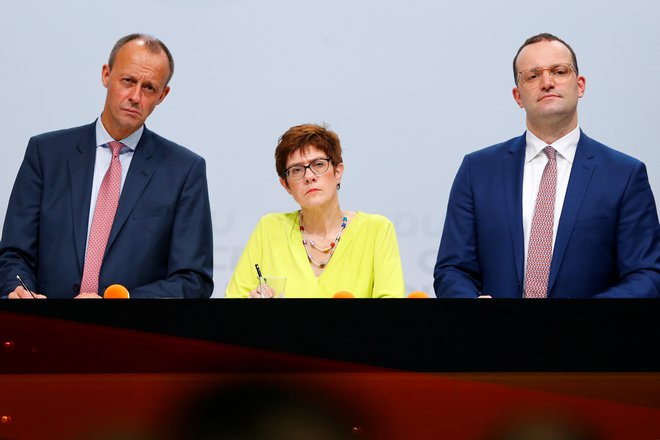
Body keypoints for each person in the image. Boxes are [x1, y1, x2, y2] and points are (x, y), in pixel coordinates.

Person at [434, 33, 660, 298]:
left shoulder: (624, 175)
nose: (547, 82)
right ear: (518, 96)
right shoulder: (478, 171)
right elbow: (452, 269)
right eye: (532, 75)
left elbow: (647, 275)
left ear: (580, 85)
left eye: (559, 71)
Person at [0, 34, 213, 299]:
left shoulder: (184, 171)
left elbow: (193, 280)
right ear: (106, 75)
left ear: (163, 95)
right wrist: (19, 289)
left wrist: (119, 304)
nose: (135, 96)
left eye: (149, 88)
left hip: (129, 335)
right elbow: (14, 253)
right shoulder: (46, 153)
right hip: (46, 328)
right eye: (128, 81)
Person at [226, 124, 404, 298]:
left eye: (318, 165)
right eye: (296, 170)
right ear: (285, 184)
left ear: (338, 171)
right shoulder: (269, 228)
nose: (309, 176)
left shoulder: (377, 230)